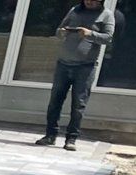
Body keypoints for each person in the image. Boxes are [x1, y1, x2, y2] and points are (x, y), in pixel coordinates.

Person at [35, 0, 114, 151]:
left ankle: (71, 139)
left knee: (78, 104)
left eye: (94, 0)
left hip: (85, 67)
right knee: (55, 101)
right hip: (63, 64)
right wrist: (62, 32)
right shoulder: (74, 10)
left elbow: (108, 38)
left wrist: (90, 34)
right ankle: (50, 135)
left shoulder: (106, 15)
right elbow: (59, 30)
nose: (90, 2)